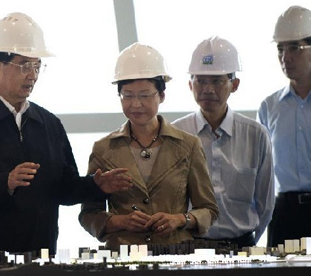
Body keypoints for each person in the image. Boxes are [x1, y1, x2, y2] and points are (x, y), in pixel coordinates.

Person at [0, 12, 132, 256]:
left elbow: (63, 188)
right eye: (24, 65)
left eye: (37, 65)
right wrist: (4, 182)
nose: (32, 74)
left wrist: (95, 185)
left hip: (42, 261)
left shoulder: (48, 123)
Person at [79, 43, 218, 249]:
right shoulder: (104, 149)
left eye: (144, 95)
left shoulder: (188, 145)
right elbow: (88, 214)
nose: (136, 104)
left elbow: (208, 210)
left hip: (175, 253)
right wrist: (121, 221)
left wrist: (179, 219)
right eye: (127, 95)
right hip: (123, 255)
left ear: (161, 96)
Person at [173, 36, 274, 248]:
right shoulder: (176, 133)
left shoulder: (255, 135)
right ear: (190, 84)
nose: (208, 89)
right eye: (200, 80)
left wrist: (249, 244)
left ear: (234, 84)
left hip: (242, 246)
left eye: (217, 81)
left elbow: (266, 204)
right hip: (190, 247)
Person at [258, 5, 311, 247]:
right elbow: (263, 171)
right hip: (285, 212)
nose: (285, 57)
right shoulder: (269, 107)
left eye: (294, 48)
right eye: (280, 49)